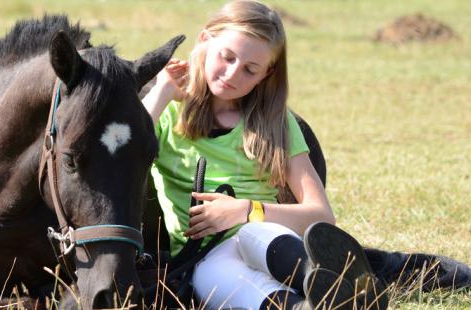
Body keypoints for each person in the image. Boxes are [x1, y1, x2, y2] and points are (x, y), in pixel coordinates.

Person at [142, 1, 388, 309]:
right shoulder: (168, 112)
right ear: (205, 40)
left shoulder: (275, 123)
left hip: (267, 236)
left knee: (253, 236)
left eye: (250, 69)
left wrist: (245, 211)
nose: (232, 74)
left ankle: (335, 284)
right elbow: (125, 147)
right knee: (222, 278)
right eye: (226, 57)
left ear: (266, 74)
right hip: (203, 257)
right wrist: (162, 91)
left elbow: (322, 215)